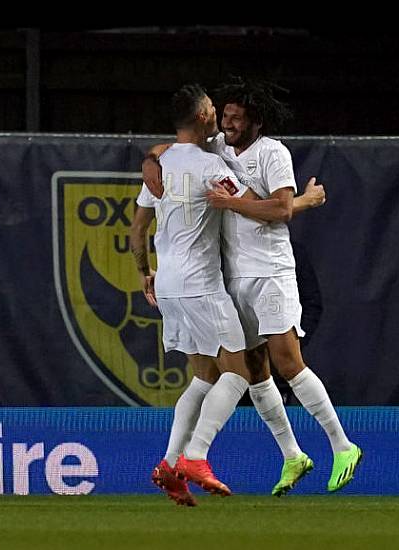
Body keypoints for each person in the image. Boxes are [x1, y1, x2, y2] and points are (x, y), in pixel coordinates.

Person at [145, 77, 362, 494]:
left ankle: (343, 445)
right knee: (254, 370)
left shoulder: (272, 153)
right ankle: (294, 456)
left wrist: (234, 203)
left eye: (236, 118)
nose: (227, 123)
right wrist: (148, 160)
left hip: (270, 271)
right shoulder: (218, 149)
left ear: (255, 122)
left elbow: (280, 208)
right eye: (224, 115)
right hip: (232, 276)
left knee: (287, 363)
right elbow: (167, 150)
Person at [134, 84, 254, 504]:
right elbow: (251, 205)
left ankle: (169, 465)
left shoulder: (161, 164)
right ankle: (196, 457)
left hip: (168, 282)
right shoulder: (210, 166)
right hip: (201, 283)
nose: (217, 114)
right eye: (211, 108)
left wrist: (144, 272)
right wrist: (297, 202)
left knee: (204, 376)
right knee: (239, 373)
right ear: (202, 115)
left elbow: (137, 230)